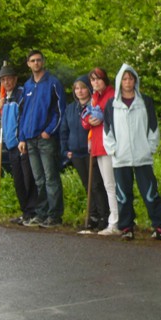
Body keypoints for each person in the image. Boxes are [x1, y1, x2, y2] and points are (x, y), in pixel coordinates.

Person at [103, 63, 161, 240]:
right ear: (119, 81)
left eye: (130, 78)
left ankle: (158, 226)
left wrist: (150, 148)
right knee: (123, 195)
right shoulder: (112, 104)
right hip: (121, 157)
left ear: (135, 81)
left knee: (150, 192)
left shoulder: (145, 101)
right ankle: (126, 227)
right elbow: (107, 129)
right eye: (124, 79)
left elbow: (153, 126)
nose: (127, 82)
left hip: (142, 156)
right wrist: (113, 150)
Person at [18, 50, 66, 228]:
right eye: (33, 60)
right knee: (39, 179)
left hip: (46, 138)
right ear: (28, 64)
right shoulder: (27, 86)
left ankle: (55, 216)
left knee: (51, 177)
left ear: (43, 62)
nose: (36, 63)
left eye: (39, 60)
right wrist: (22, 138)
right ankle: (42, 213)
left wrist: (49, 131)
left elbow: (60, 110)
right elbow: (23, 113)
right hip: (30, 139)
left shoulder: (53, 83)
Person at [60, 75, 109, 231]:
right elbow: (64, 131)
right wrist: (65, 149)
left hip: (91, 151)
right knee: (86, 185)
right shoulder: (70, 109)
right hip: (75, 153)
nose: (79, 91)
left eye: (82, 88)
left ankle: (104, 216)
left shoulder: (94, 107)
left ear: (88, 89)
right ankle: (92, 216)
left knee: (96, 184)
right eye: (77, 88)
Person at [0, 63, 38, 225]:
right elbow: (5, 120)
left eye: (9, 79)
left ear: (15, 79)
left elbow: (25, 118)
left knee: (28, 179)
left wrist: (23, 139)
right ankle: (25, 212)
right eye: (3, 80)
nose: (6, 82)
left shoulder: (21, 94)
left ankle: (33, 212)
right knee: (18, 180)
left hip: (22, 143)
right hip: (11, 145)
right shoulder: (4, 98)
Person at [82, 68, 120, 236]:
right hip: (98, 144)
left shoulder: (112, 95)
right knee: (107, 184)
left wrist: (103, 119)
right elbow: (85, 119)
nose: (95, 82)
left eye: (98, 79)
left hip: (109, 145)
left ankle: (115, 222)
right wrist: (89, 120)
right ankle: (114, 220)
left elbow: (117, 118)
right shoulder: (94, 97)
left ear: (105, 79)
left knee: (111, 185)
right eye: (92, 80)